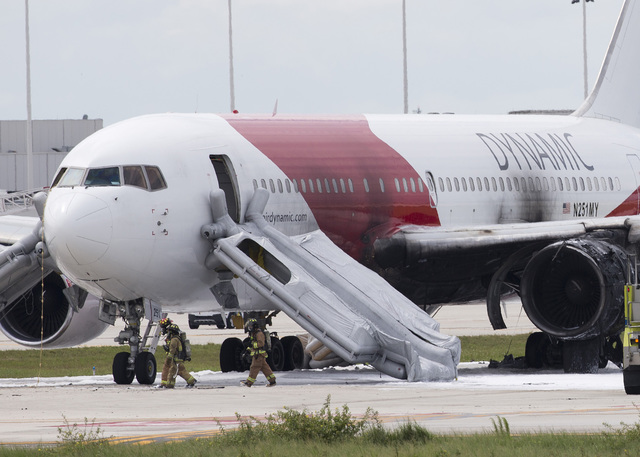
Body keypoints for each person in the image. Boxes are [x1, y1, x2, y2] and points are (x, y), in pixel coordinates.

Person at [159, 317, 197, 388]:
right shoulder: (173, 338)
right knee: (180, 370)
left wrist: (169, 357)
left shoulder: (174, 339)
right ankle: (191, 381)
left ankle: (169, 384)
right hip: (176, 358)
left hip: (174, 358)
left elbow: (172, 349)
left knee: (171, 371)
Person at [241, 318, 276, 387]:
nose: (250, 328)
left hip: (258, 355)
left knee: (254, 368)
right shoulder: (254, 334)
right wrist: (248, 350)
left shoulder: (259, 334)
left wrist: (252, 345)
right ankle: (272, 381)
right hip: (258, 355)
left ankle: (249, 383)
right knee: (265, 368)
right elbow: (253, 345)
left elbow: (261, 344)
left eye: (250, 327)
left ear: (254, 326)